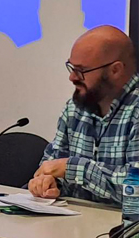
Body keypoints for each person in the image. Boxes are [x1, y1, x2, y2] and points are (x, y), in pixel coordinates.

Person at [29, 26, 139, 205]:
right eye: (71, 67)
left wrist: (75, 168)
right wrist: (48, 183)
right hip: (75, 225)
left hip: (125, 230)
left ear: (115, 70)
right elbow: (52, 164)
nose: (72, 77)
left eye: (81, 70)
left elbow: (136, 191)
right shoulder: (75, 107)